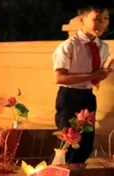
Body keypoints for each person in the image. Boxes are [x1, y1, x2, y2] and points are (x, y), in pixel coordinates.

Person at [53, 4, 111, 164]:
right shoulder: (69, 46)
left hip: (88, 97)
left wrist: (104, 72)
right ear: (82, 19)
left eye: (106, 19)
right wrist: (93, 75)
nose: (102, 23)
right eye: (97, 19)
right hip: (69, 97)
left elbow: (96, 77)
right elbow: (59, 78)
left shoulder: (103, 47)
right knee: (66, 145)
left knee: (85, 146)